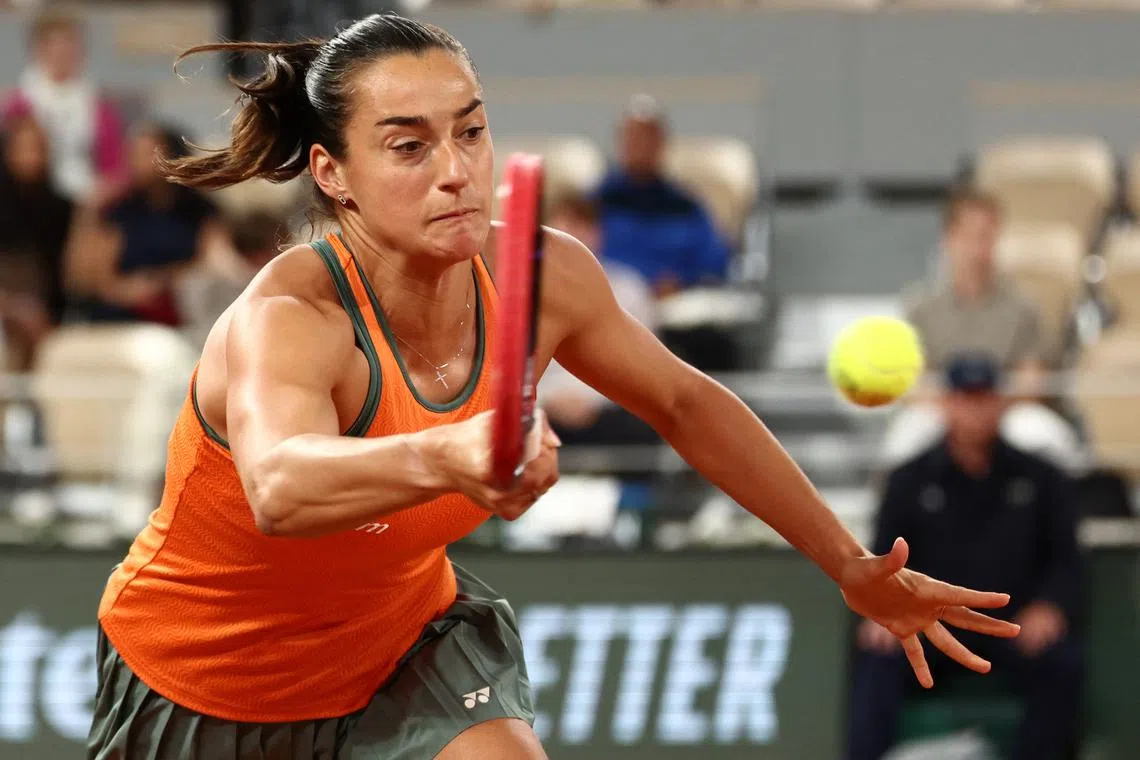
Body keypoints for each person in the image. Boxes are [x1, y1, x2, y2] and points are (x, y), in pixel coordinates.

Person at [88, 14, 1020, 760]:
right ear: (334, 175)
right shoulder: (290, 316)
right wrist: (450, 453)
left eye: (471, 131)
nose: (456, 171)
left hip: (395, 651)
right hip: (199, 683)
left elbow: (686, 404)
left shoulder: (544, 277)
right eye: (409, 147)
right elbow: (280, 487)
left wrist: (846, 562)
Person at [849, 352, 1083, 760]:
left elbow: (1067, 558)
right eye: (965, 398)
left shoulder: (1043, 479)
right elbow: (881, 561)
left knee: (1063, 664)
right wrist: (882, 613)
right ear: (946, 403)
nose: (974, 410)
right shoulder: (908, 480)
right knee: (876, 656)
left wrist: (1049, 607)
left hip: (1011, 625)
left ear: (1000, 403)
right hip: (928, 625)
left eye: (983, 397)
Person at [881, 189, 1084, 473]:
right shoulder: (920, 308)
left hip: (1005, 412)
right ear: (948, 238)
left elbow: (1032, 379)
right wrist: (958, 413)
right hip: (941, 413)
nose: (978, 248)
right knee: (903, 441)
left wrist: (990, 412)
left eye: (987, 236)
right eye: (969, 236)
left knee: (1048, 438)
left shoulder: (1022, 307)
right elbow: (913, 383)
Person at [66, 123, 237, 327]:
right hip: (124, 310)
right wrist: (89, 212)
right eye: (133, 154)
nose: (136, 162)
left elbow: (215, 261)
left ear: (173, 157)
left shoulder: (200, 210)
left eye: (146, 154)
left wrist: (163, 281)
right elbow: (91, 282)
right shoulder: (119, 209)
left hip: (183, 307)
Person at [594, 94, 730, 298]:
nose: (640, 146)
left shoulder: (685, 207)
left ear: (662, 144)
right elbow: (570, 255)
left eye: (647, 138)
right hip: (609, 297)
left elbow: (715, 261)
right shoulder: (594, 203)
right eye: (633, 138)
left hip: (672, 305)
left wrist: (682, 280)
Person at [2, 10, 127, 206]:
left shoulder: (99, 105)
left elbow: (116, 166)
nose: (63, 52)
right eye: (54, 45)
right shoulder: (18, 105)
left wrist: (104, 192)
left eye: (70, 44)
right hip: (30, 200)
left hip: (86, 198)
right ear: (38, 49)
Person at [0, 114, 75, 371]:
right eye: (23, 148)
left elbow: (64, 273)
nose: (30, 157)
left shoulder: (61, 207)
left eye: (37, 149)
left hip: (48, 306)